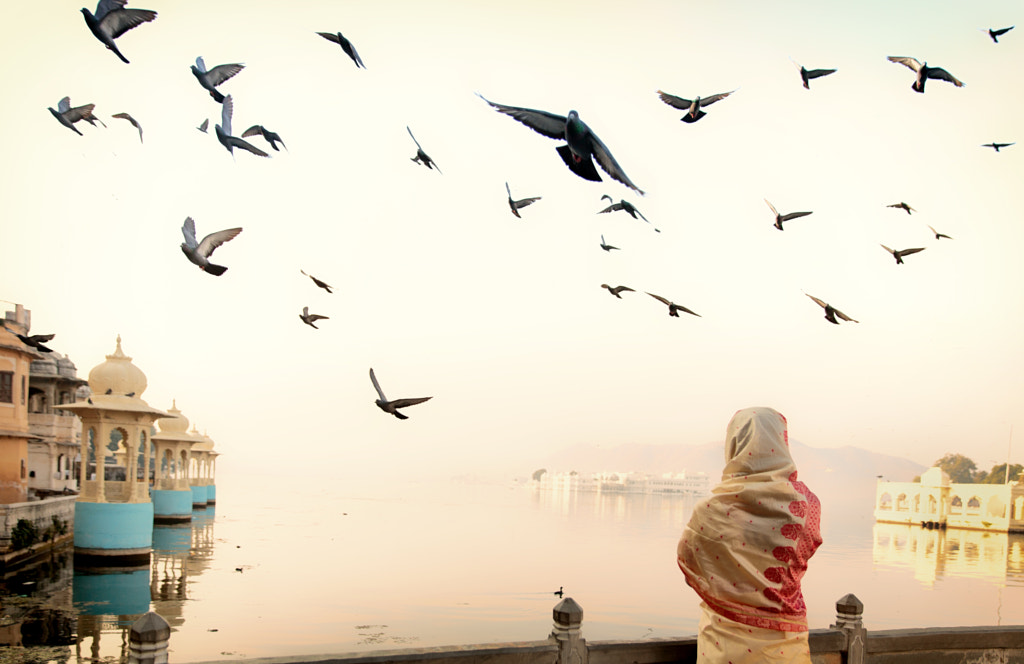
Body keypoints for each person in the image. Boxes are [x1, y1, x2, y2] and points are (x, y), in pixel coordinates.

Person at [677, 407, 822, 663]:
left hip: (725, 644)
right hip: (786, 648)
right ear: (782, 441)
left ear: (734, 444)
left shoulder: (711, 511)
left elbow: (691, 566)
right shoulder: (806, 506)